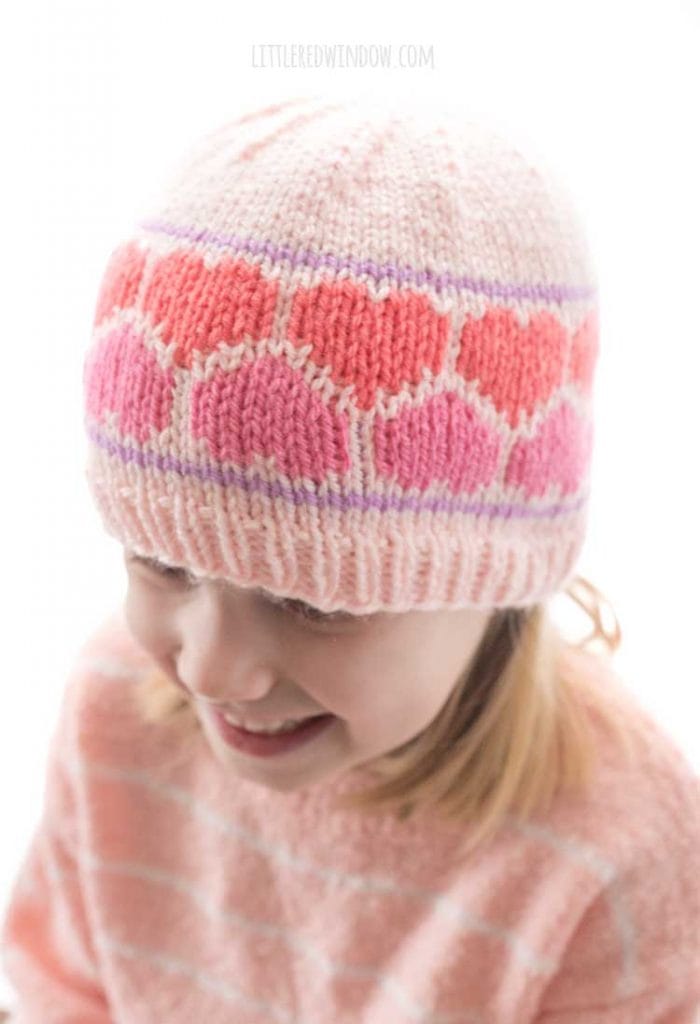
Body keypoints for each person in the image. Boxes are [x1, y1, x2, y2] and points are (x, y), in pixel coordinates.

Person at [1, 93, 698, 1022]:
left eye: (315, 603)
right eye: (160, 562)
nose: (210, 667)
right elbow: (66, 995)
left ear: (496, 580)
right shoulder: (114, 714)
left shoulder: (619, 848)